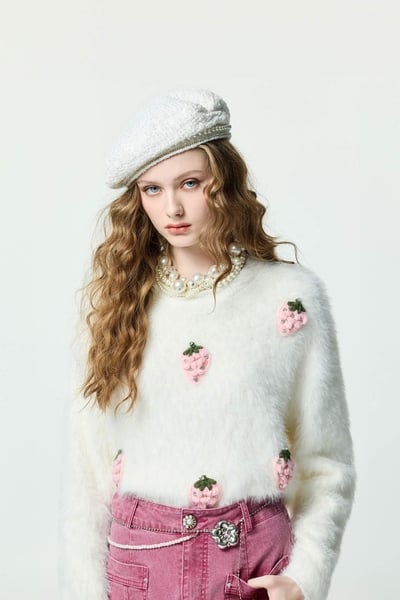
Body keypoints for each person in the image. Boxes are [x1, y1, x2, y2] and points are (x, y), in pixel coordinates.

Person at [62, 89, 355, 600]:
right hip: (140, 563)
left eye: (190, 183)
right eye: (152, 189)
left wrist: (305, 578)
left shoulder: (290, 299)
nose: (172, 207)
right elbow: (88, 471)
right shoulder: (116, 304)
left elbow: (327, 462)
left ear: (225, 183)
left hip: (255, 561)